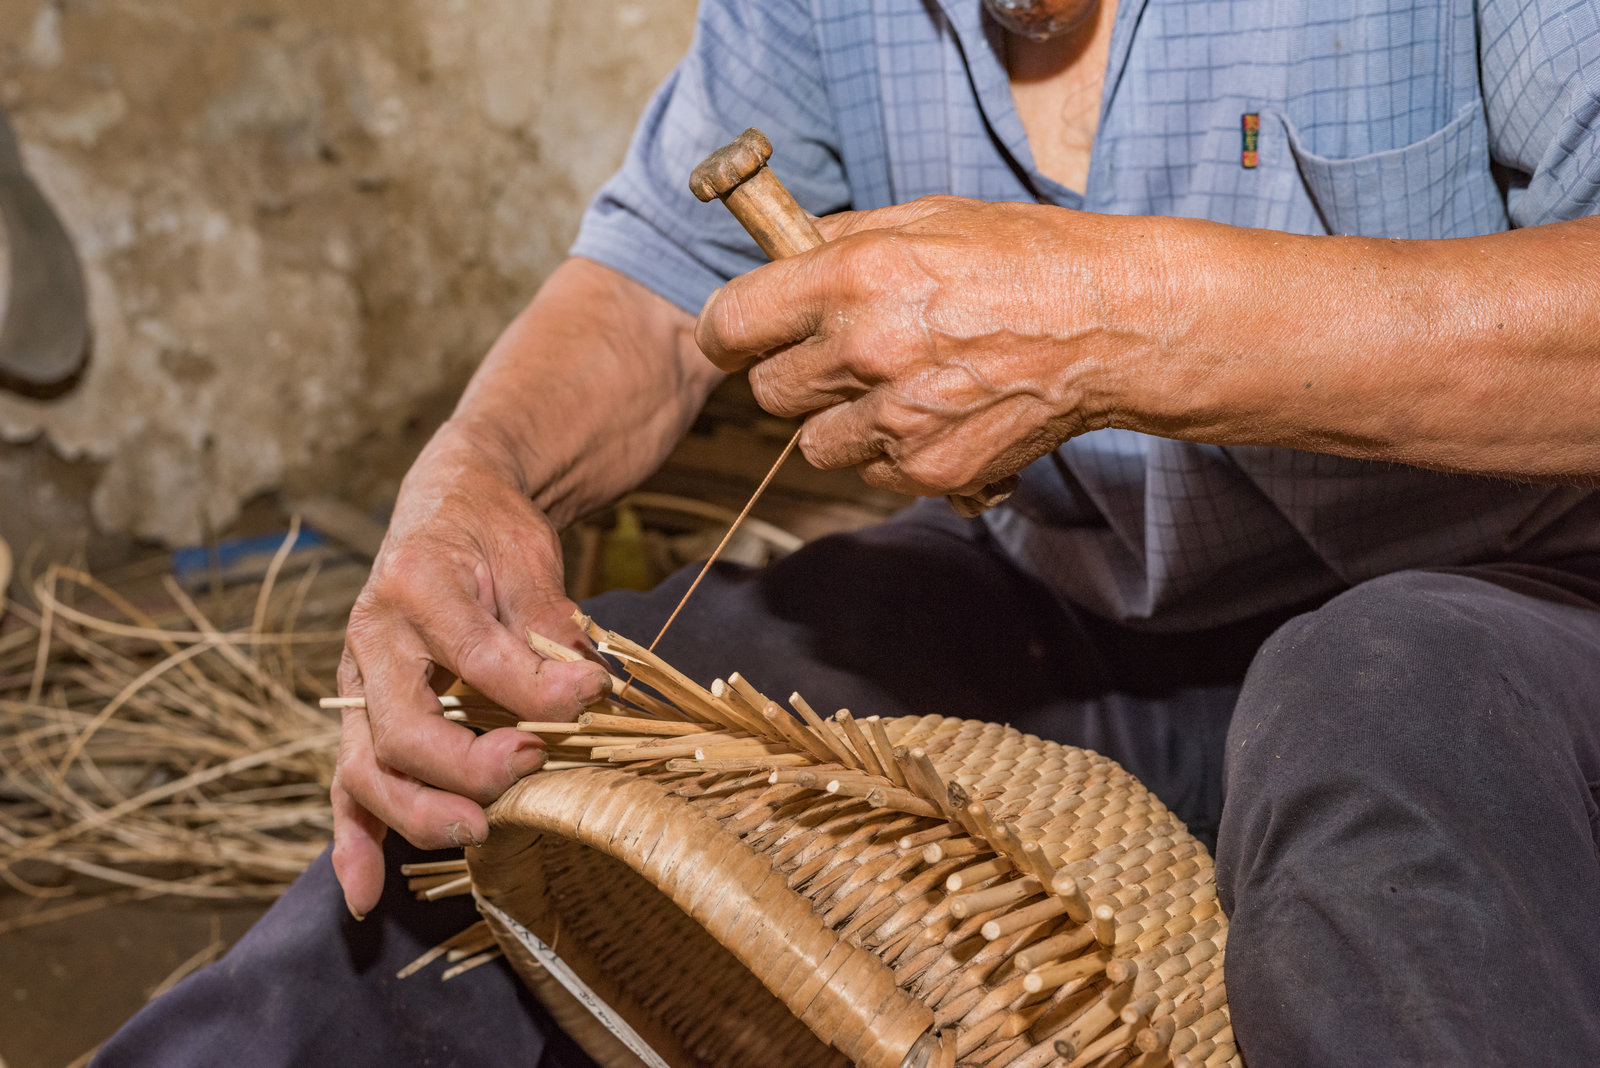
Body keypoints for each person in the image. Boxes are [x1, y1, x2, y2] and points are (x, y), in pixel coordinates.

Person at [97, 0, 1600, 1065]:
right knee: (555, 739)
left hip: (1521, 605)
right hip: (1083, 608)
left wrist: (1115, 325)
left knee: (1384, 702)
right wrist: (474, 482)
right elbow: (656, 280)